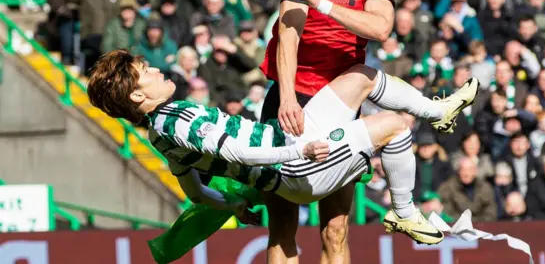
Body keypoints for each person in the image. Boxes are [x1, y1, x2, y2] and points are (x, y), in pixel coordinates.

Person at [86, 49, 481, 246]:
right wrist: (301, 151)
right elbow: (239, 153)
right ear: (138, 95)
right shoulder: (177, 122)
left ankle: (437, 110)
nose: (155, 69)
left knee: (360, 76)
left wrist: (234, 205)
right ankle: (404, 213)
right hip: (294, 168)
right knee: (394, 127)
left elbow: (193, 191)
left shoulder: (161, 131)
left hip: (285, 145)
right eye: (146, 73)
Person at [258, 0, 406, 263]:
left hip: (341, 102)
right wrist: (288, 98)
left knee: (336, 229)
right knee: (281, 227)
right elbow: (288, 33)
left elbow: (382, 28)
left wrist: (323, 4)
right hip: (291, 98)